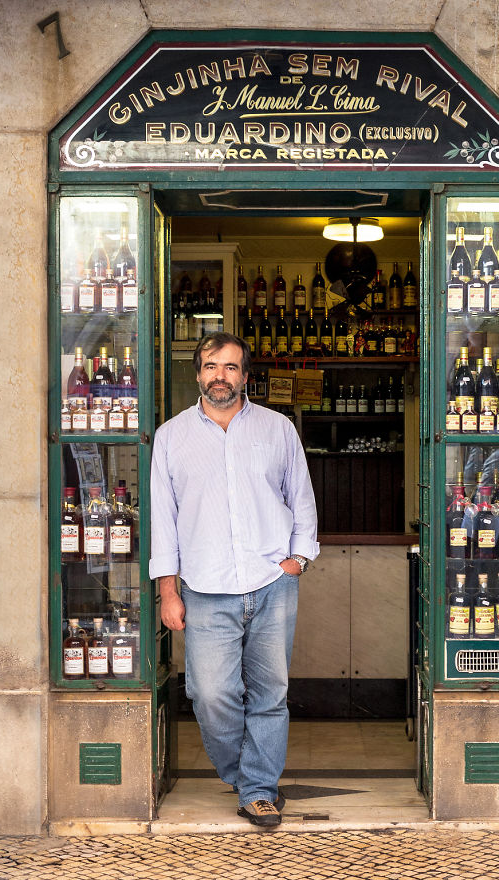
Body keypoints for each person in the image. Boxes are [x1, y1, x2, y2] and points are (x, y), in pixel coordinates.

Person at [149, 332, 319, 827]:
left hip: (272, 581)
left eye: (230, 367)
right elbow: (165, 517)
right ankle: (244, 776)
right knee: (210, 693)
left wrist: (298, 559)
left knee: (270, 694)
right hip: (204, 588)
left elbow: (301, 498)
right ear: (197, 373)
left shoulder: (278, 429)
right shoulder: (172, 436)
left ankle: (259, 788)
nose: (219, 376)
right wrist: (168, 590)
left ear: (245, 376)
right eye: (210, 366)